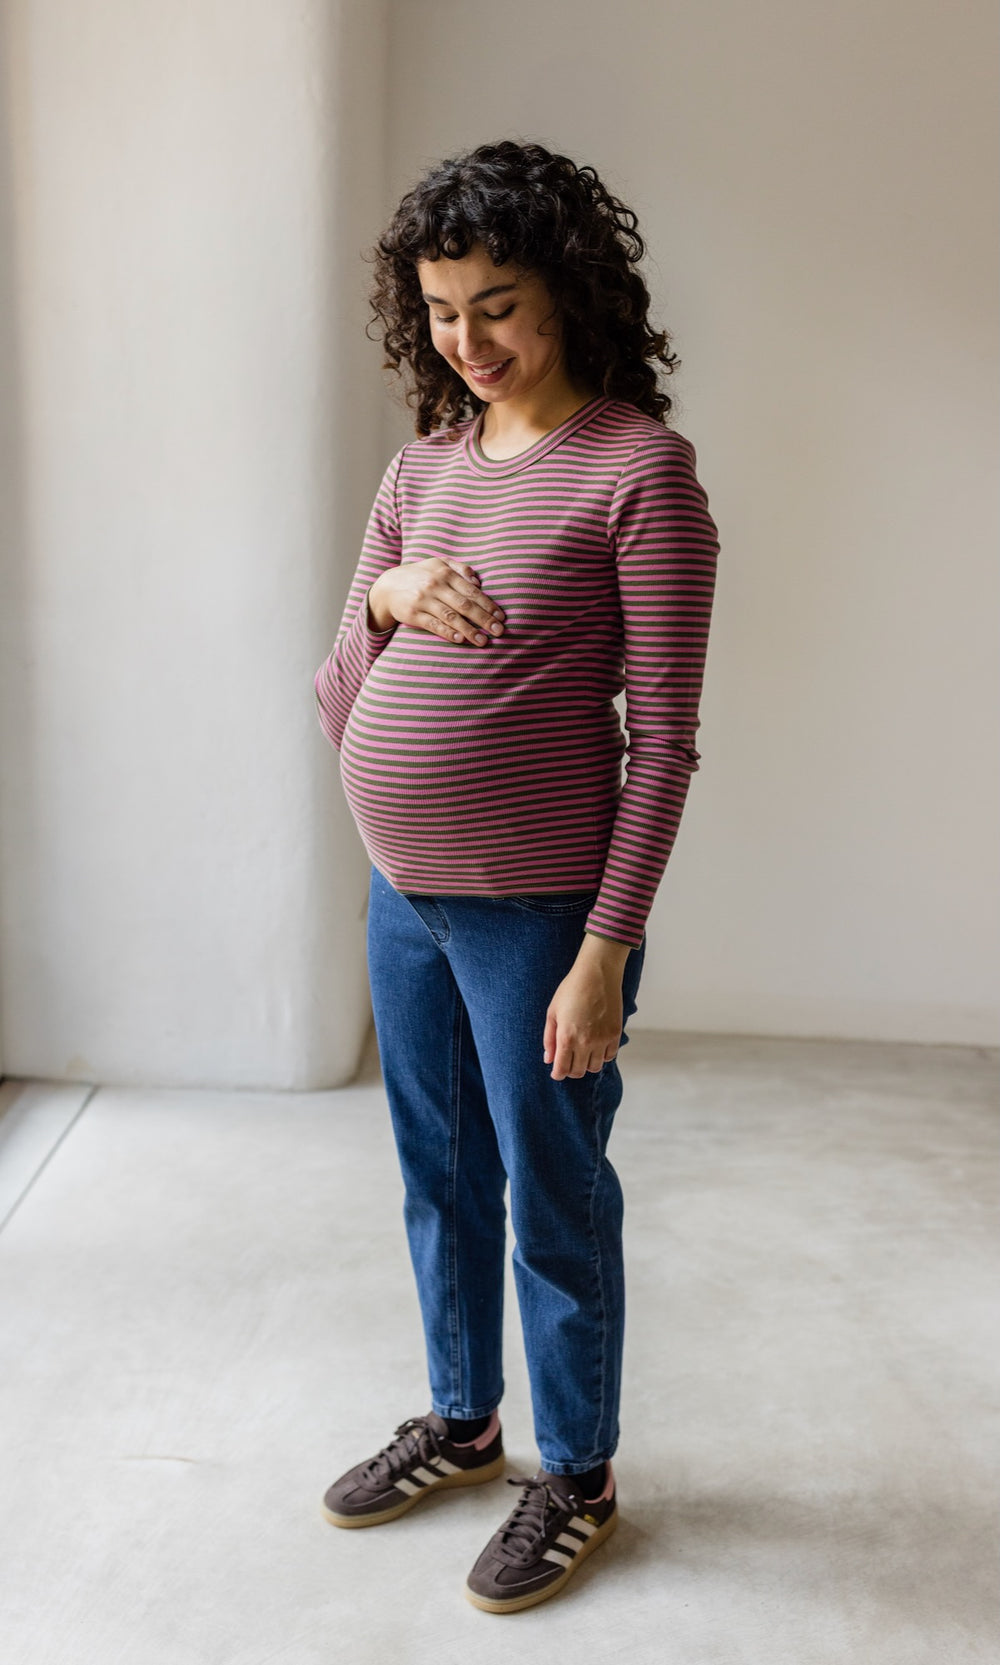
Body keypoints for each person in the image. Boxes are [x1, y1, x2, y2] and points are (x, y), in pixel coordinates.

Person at [313, 138, 719, 1614]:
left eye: (497, 306)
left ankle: (581, 1473)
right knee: (439, 1175)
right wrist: (386, 591)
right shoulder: (419, 468)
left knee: (552, 1194)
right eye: (439, 310)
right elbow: (334, 695)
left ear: (571, 294)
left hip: (541, 915)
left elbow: (664, 743)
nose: (467, 342)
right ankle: (465, 1420)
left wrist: (606, 950)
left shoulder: (639, 473)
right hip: (404, 899)